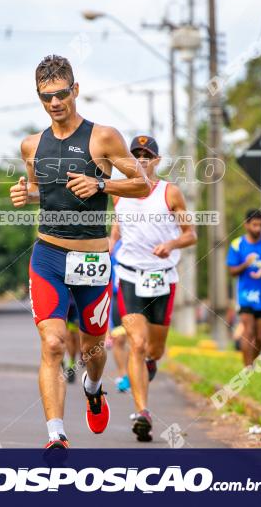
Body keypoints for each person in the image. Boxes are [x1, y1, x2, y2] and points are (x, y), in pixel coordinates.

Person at [10, 55, 150, 450]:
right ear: (39, 98)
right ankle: (57, 435)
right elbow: (42, 191)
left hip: (92, 259)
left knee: (93, 349)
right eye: (45, 97)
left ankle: (93, 386)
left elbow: (140, 185)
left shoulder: (103, 137)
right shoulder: (31, 145)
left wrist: (101, 185)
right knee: (53, 343)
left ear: (75, 90)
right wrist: (26, 193)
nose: (54, 103)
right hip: (49, 255)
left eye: (60, 94)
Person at [110, 135, 197, 442]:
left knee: (154, 350)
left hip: (162, 278)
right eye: (136, 156)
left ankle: (149, 364)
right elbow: (118, 229)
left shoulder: (170, 193)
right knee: (135, 343)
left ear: (157, 161)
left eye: (148, 156)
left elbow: (190, 234)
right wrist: (107, 249)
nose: (142, 161)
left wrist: (171, 243)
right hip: (131, 276)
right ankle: (142, 412)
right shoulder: (119, 194)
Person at [227, 209, 261, 368]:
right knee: (248, 331)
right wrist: (246, 263)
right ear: (246, 225)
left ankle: (252, 364)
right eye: (254, 225)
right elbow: (232, 271)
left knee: (259, 336)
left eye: (260, 225)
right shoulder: (237, 244)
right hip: (245, 295)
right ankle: (247, 368)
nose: (257, 228)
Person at [106, 240, 130, 394]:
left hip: (135, 296)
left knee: (137, 339)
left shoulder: (139, 239)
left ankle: (135, 372)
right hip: (116, 296)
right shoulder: (112, 244)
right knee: (119, 339)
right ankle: (124, 375)